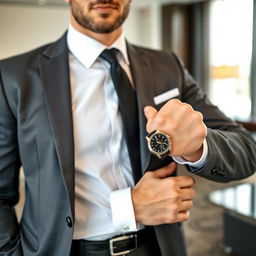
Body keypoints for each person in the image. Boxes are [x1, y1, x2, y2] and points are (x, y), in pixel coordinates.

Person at [0, 0, 255, 255]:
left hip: (159, 247)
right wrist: (125, 209)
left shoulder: (168, 66)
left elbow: (246, 149)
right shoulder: (14, 76)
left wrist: (197, 147)